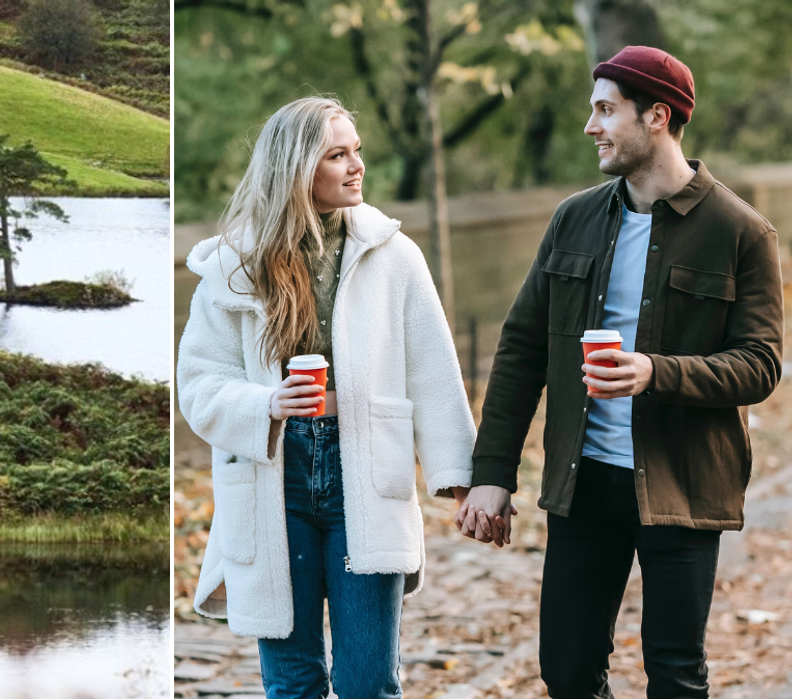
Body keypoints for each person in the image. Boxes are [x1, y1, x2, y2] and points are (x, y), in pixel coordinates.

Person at [457, 46, 784, 698]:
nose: (590, 126)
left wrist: (653, 372)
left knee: (674, 673)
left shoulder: (740, 232)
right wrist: (491, 474)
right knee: (568, 671)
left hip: (683, 485)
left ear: (656, 116)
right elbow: (520, 349)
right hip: (585, 485)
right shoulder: (573, 219)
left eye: (605, 110)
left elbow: (759, 364)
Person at [177, 95, 477, 699]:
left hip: (366, 471)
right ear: (295, 169)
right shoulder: (235, 265)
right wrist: (266, 406)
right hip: (273, 476)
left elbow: (433, 370)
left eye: (356, 152)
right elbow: (198, 384)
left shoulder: (394, 256)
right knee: (293, 682)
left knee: (369, 682)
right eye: (337, 155)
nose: (356, 166)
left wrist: (463, 476)